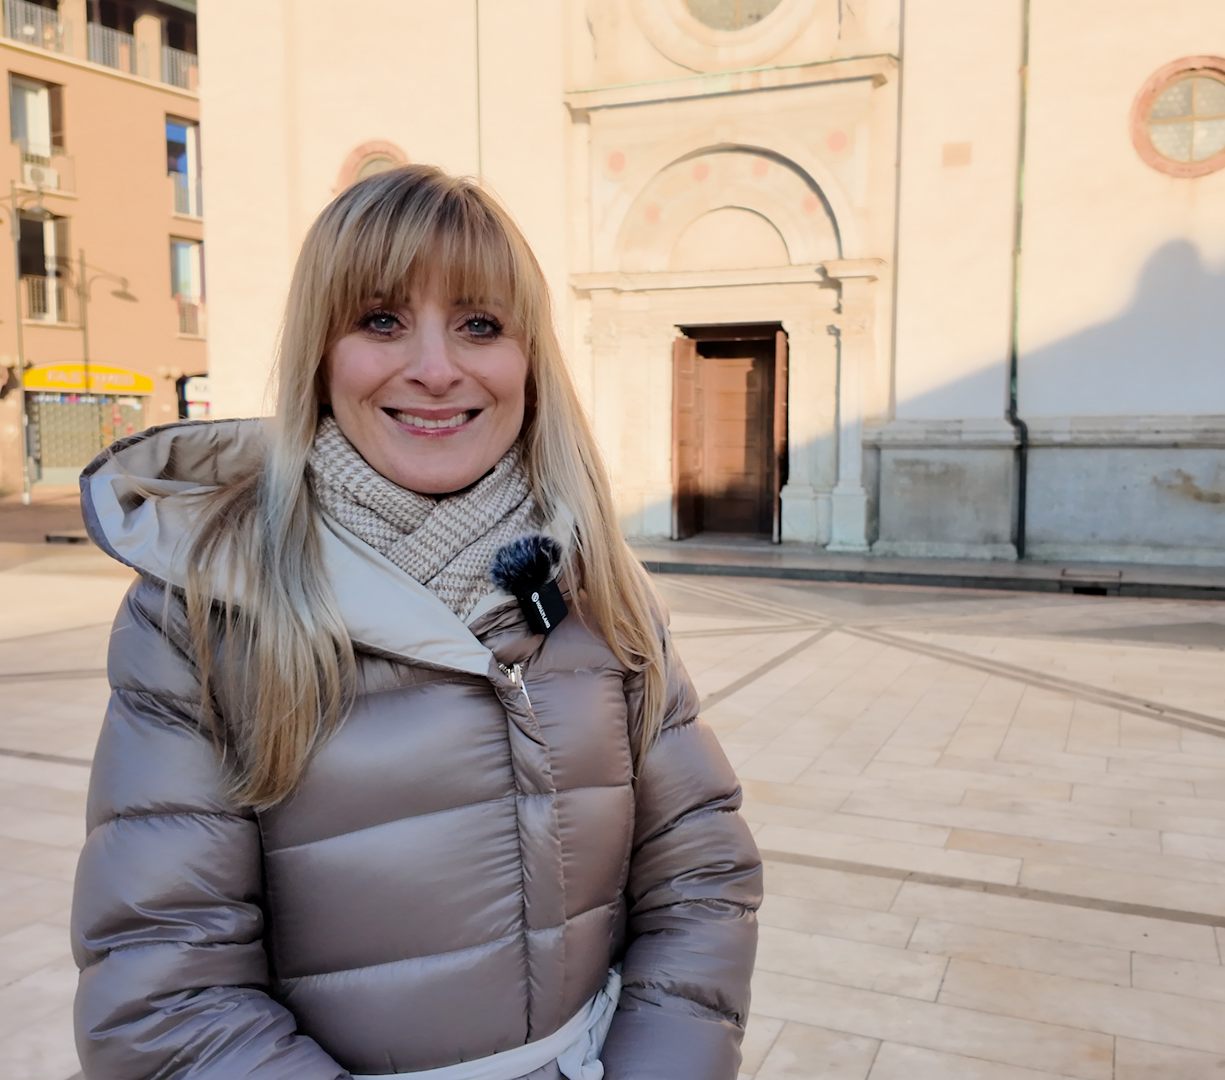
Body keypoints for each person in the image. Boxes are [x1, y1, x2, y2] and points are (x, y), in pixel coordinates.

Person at [71, 165, 762, 1080]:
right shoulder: (200, 606)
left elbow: (700, 877)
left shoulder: (597, 581)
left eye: (480, 324)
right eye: (381, 320)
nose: (437, 370)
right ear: (320, 353)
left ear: (528, 358)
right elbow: (161, 992)